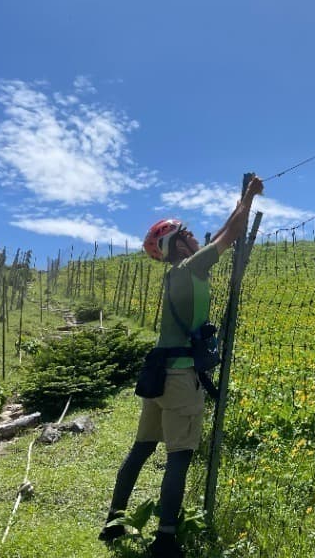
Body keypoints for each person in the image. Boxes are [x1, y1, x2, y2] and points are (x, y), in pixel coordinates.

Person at [100, 175, 263, 557]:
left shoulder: (179, 272)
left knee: (140, 450)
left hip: (158, 375)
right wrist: (250, 198)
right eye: (187, 232)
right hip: (180, 377)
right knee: (179, 456)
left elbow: (224, 229)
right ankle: (166, 539)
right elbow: (233, 232)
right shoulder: (191, 268)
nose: (195, 236)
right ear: (178, 242)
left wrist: (242, 197)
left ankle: (113, 523)